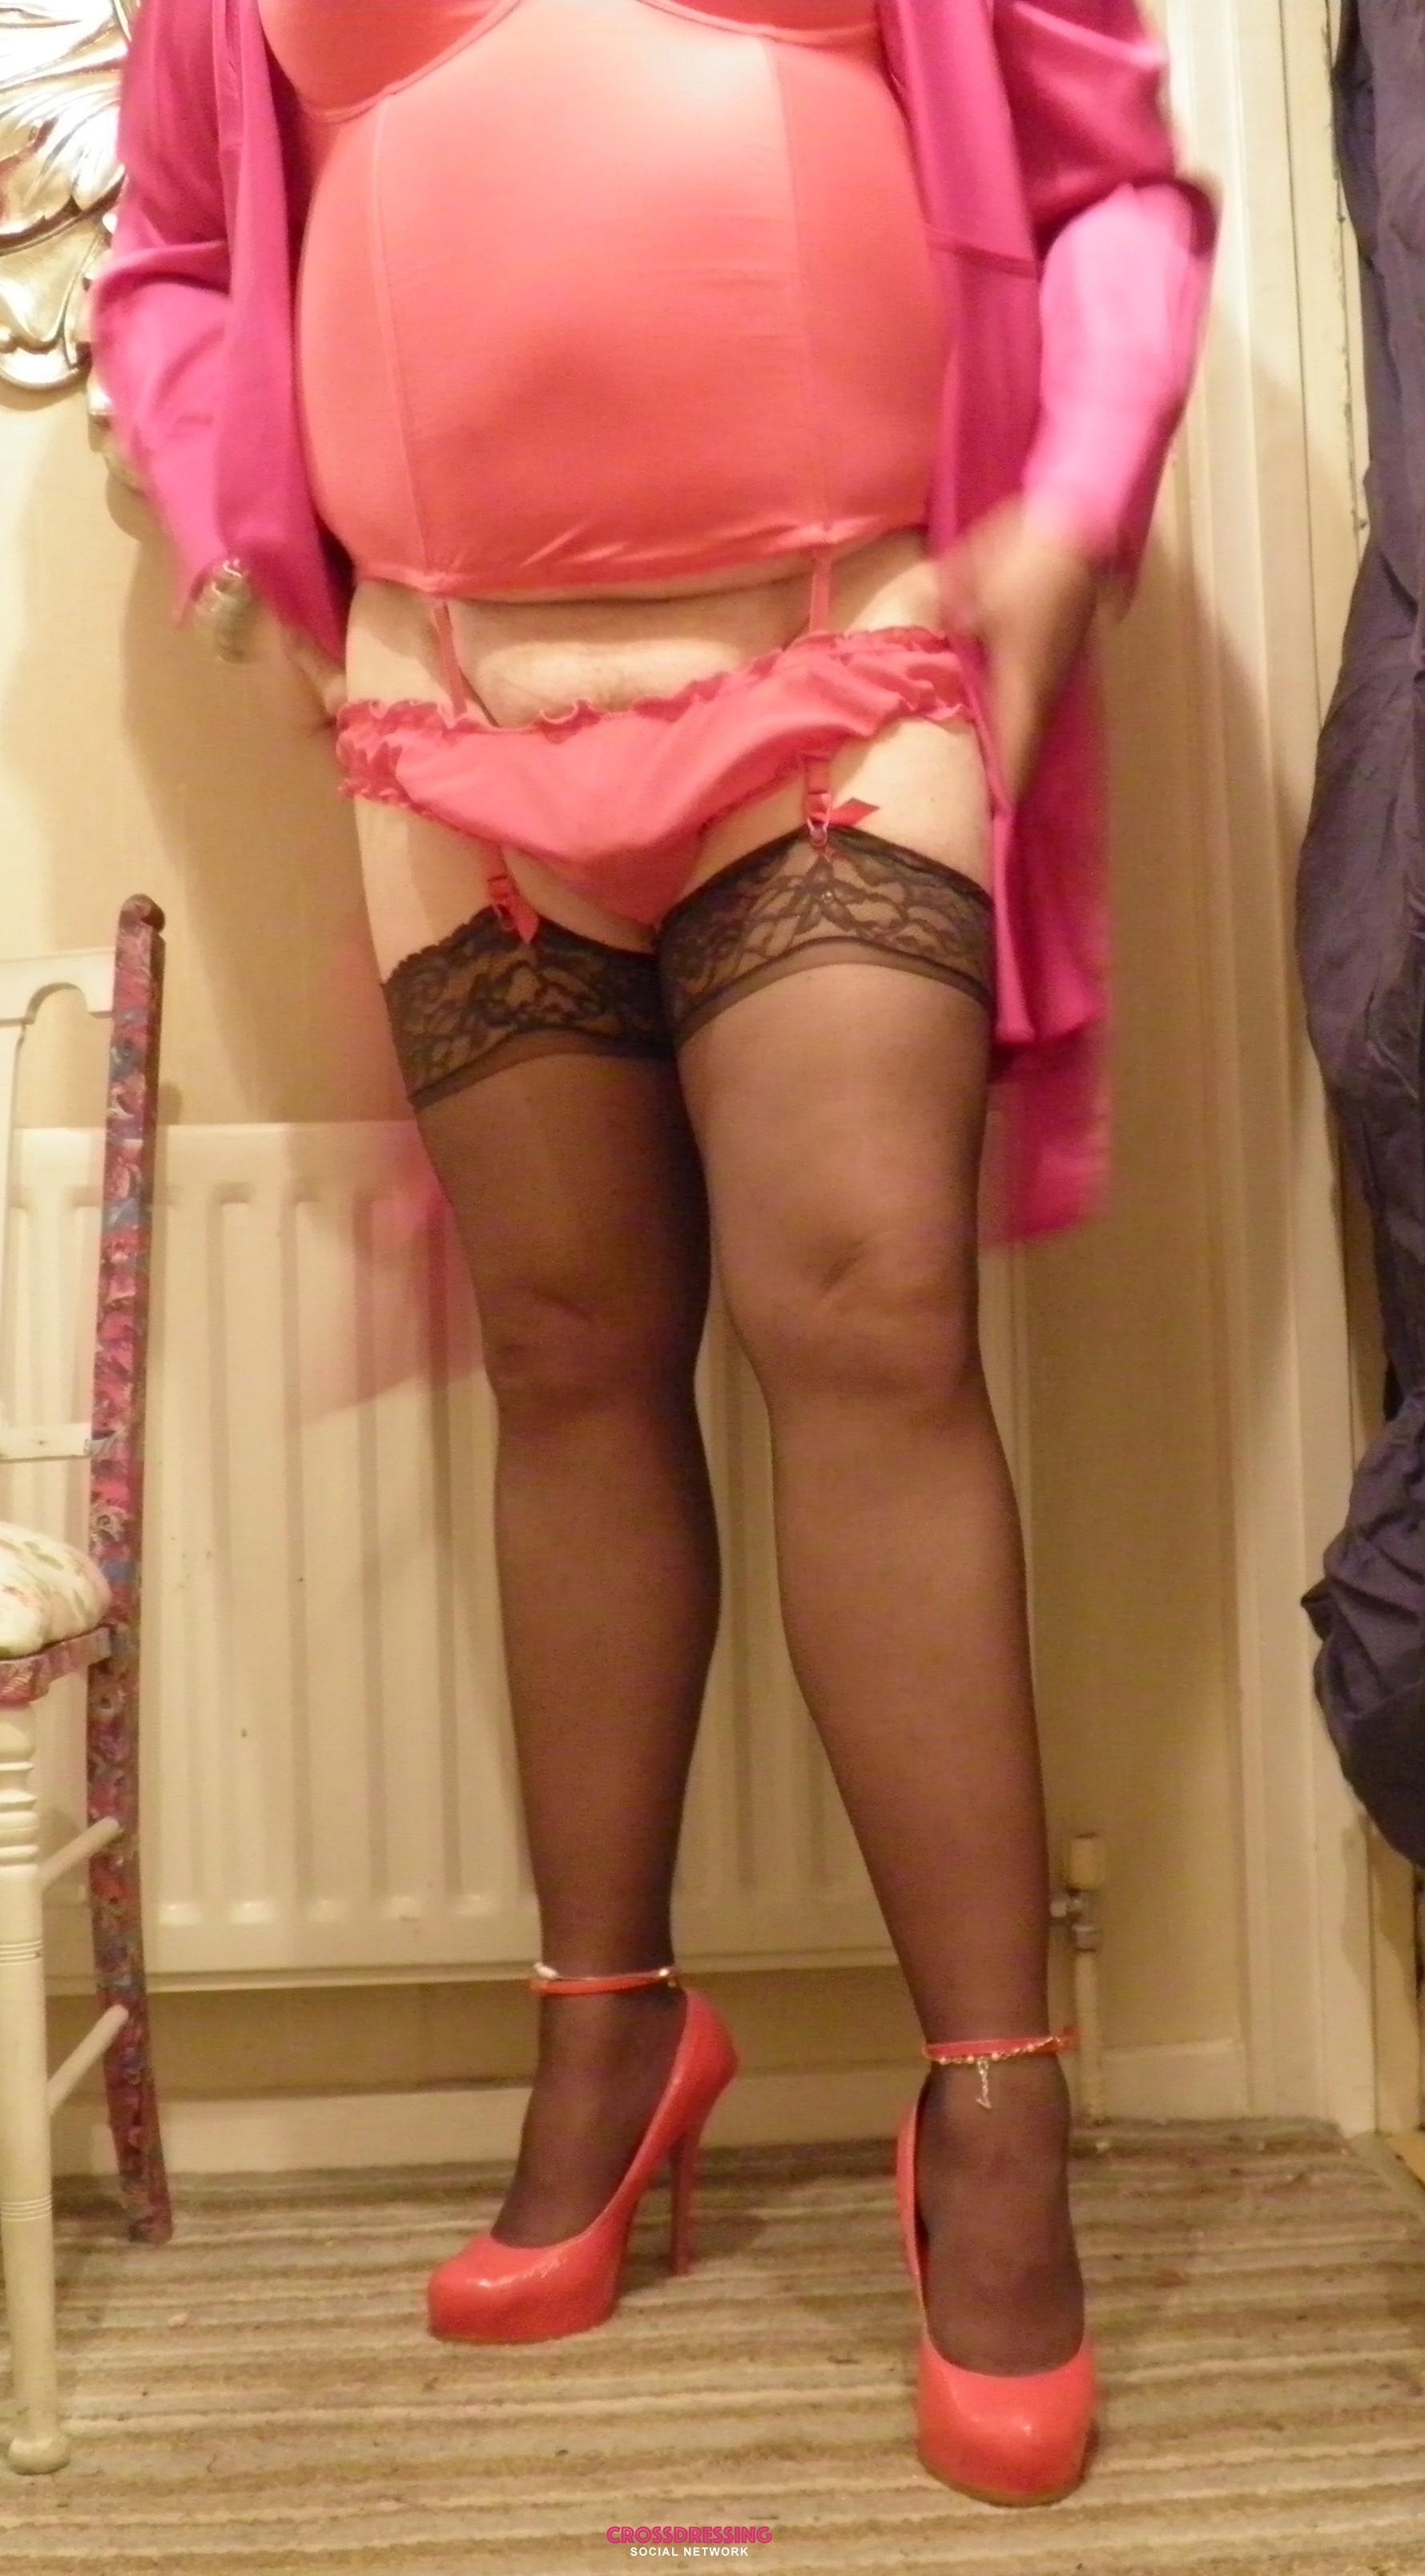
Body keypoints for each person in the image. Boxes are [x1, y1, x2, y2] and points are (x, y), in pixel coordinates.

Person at [91, 0, 1215, 2509]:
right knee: (569, 1359)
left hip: (838, 661)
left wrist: (1063, 511)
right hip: (445, 710)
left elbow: (1104, 199)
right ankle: (606, 2033)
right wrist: (235, 535)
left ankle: (993, 2108)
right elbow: (173, 256)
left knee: (868, 1324)